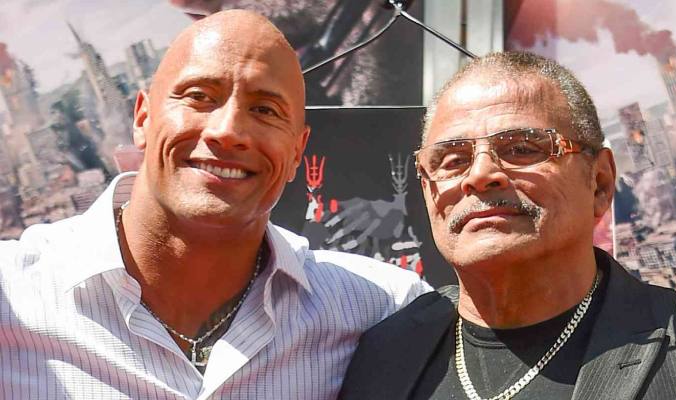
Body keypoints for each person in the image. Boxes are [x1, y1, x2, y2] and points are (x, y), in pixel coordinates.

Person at [0, 10, 429, 399]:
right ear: (142, 119)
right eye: (199, 96)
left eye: (265, 109)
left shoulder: (384, 309)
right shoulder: (12, 297)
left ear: (298, 152)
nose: (228, 131)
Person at [340, 52, 676, 399]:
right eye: (452, 159)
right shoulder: (381, 353)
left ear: (600, 183)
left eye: (522, 149)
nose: (480, 175)